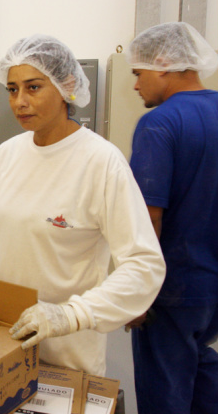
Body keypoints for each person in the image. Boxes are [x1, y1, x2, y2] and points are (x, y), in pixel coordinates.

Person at [0, 34, 166, 376]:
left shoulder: (101, 162)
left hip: (71, 355)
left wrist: (67, 315)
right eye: (12, 90)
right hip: (8, 345)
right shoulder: (8, 154)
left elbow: (144, 265)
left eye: (33, 87)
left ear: (67, 85)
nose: (19, 102)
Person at [126, 22, 218, 414]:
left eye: (137, 73)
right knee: (203, 377)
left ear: (163, 63)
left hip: (172, 290)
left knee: (165, 394)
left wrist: (137, 292)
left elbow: (148, 216)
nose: (135, 85)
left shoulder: (159, 123)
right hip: (212, 288)